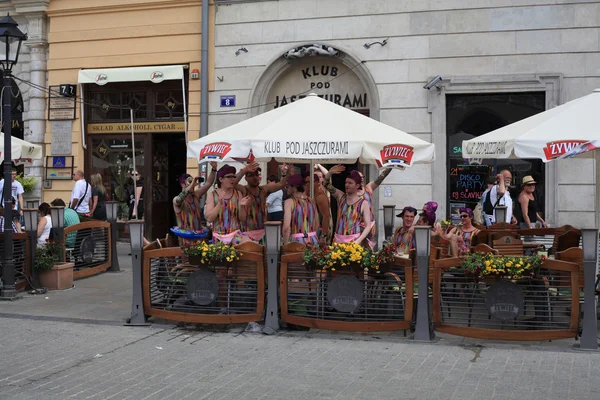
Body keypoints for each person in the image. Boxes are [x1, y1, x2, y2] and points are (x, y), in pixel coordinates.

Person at [234, 163, 290, 242]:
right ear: (246, 178)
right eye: (251, 175)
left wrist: (287, 174)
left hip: (263, 233)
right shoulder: (244, 190)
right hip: (247, 234)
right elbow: (233, 183)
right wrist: (244, 170)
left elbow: (281, 184)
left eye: (257, 175)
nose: (255, 177)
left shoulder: (264, 189)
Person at [323, 165, 372, 247]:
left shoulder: (363, 203)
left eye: (350, 183)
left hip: (354, 241)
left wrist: (358, 241)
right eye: (346, 182)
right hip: (337, 241)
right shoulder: (340, 196)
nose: (347, 185)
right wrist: (330, 173)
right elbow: (325, 184)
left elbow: (368, 226)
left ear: (357, 185)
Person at [172, 162, 217, 245]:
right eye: (190, 182)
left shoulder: (196, 195)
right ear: (182, 185)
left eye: (193, 182)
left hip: (199, 236)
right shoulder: (177, 200)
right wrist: (192, 184)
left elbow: (208, 183)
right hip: (185, 239)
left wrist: (214, 169)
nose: (193, 185)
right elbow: (178, 200)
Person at [205, 164, 250, 244]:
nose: (233, 179)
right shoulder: (212, 195)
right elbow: (209, 218)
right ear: (221, 179)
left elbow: (242, 219)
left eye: (234, 177)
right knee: (221, 255)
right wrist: (219, 204)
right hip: (218, 236)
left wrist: (242, 206)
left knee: (248, 244)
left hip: (235, 234)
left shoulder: (238, 194)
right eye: (229, 177)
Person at [283, 175, 320, 246]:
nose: (286, 188)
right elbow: (317, 224)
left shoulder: (289, 202)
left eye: (287, 186)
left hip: (297, 242)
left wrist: (285, 245)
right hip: (313, 240)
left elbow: (286, 228)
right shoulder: (311, 201)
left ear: (294, 187)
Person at [303, 172, 332, 243]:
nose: (307, 184)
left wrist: (323, 235)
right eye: (306, 182)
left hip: (321, 232)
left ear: (317, 182)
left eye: (310, 182)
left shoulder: (320, 197)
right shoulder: (311, 196)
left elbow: (326, 216)